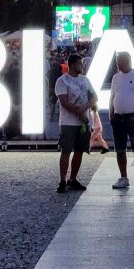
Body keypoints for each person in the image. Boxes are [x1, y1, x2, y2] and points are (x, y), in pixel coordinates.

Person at [55, 54, 98, 193]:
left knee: (79, 151)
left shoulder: (85, 80)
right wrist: (80, 114)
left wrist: (84, 109)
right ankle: (62, 179)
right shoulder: (62, 81)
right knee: (66, 151)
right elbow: (64, 101)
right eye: (80, 64)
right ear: (73, 65)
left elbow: (94, 96)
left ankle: (72, 179)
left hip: (83, 122)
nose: (82, 66)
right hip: (68, 122)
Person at [109, 53, 134, 191]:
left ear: (128, 61)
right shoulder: (116, 77)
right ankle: (123, 177)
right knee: (120, 150)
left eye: (121, 61)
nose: (118, 64)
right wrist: (111, 112)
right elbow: (113, 96)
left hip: (132, 117)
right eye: (117, 61)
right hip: (118, 118)